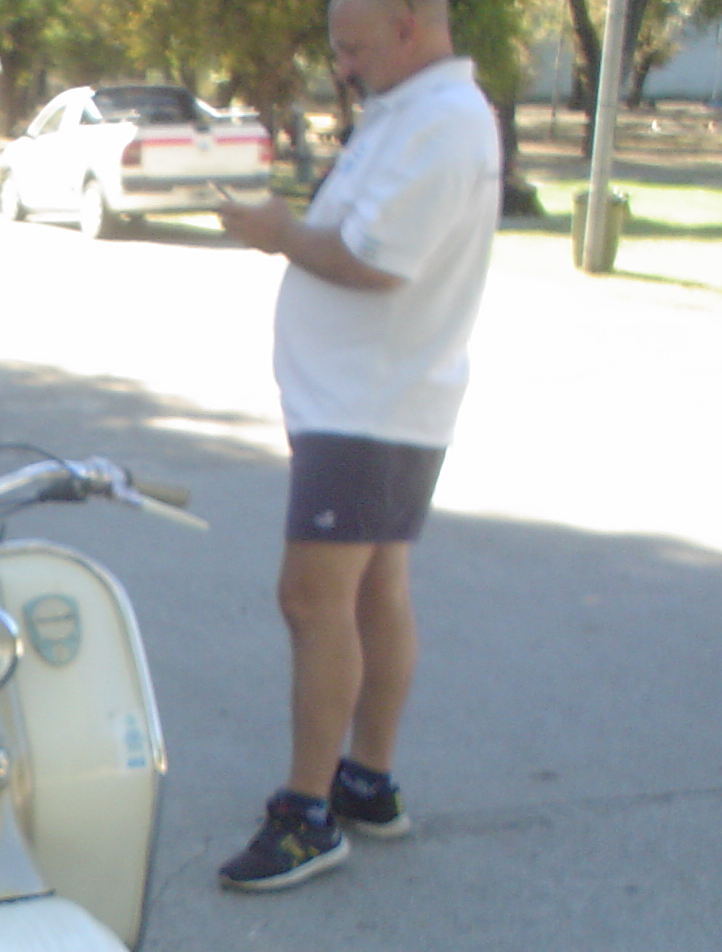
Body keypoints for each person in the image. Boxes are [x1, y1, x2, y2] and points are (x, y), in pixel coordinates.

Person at [213, 0, 499, 892]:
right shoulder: (411, 111)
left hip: (370, 403)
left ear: (409, 25)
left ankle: (307, 816)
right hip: (369, 400)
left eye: (353, 46)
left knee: (311, 598)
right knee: (375, 590)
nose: (341, 65)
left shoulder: (442, 123)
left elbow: (374, 261)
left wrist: (277, 235)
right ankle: (366, 784)